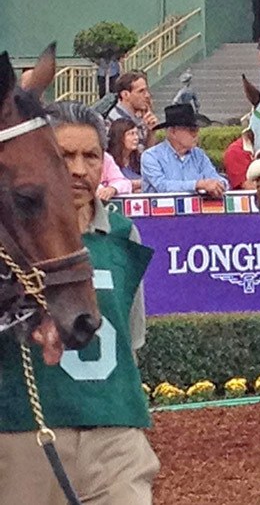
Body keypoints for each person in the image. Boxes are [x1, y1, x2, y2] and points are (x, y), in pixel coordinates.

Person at [0, 101, 159, 504]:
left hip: (115, 430)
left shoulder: (124, 235)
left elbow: (132, 339)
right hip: (25, 432)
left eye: (91, 156)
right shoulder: (8, 246)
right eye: (64, 155)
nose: (78, 169)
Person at [141, 103, 229, 195]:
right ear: (173, 132)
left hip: (195, 209)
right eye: (191, 130)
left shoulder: (199, 155)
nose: (196, 134)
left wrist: (219, 184)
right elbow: (162, 186)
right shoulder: (151, 156)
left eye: (197, 130)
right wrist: (197, 184)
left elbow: (214, 177)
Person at [108, 71, 158, 150]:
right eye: (141, 91)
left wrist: (151, 131)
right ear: (125, 95)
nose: (147, 95)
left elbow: (149, 155)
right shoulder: (115, 120)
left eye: (146, 90)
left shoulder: (139, 118)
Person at [108, 118, 143, 192]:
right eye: (131, 134)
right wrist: (136, 184)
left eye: (136, 133)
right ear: (119, 136)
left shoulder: (138, 159)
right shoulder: (108, 161)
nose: (136, 138)